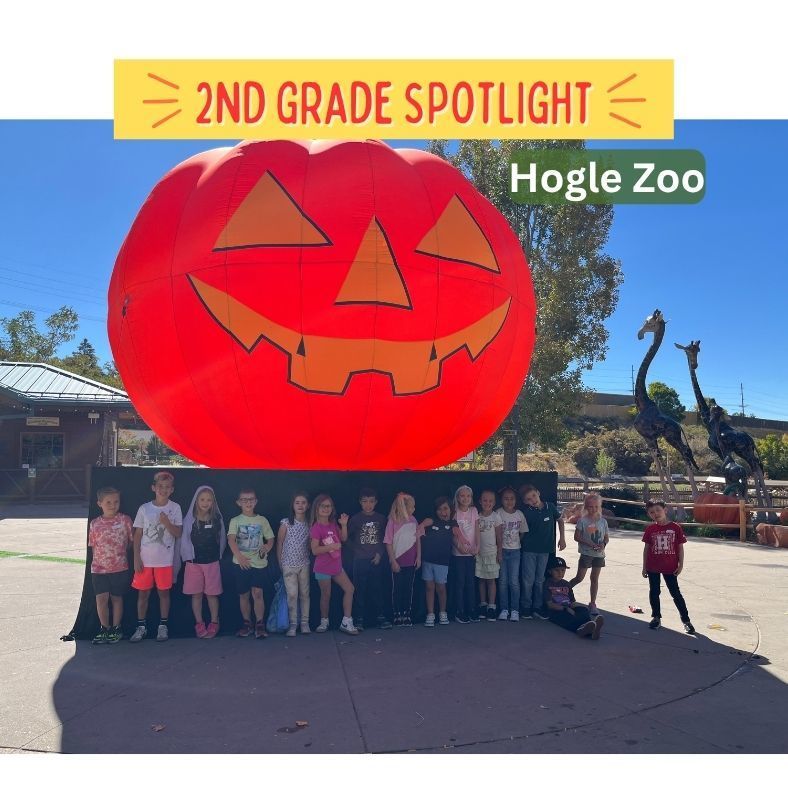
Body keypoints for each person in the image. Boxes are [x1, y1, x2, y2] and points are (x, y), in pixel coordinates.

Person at [130, 471, 183, 643]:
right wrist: (136, 558)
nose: (163, 489)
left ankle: (163, 626)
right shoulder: (144, 508)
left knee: (164, 593)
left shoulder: (175, 508)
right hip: (145, 561)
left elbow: (178, 533)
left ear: (172, 490)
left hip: (164, 561)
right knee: (143, 594)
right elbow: (137, 534)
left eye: (167, 487)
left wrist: (167, 523)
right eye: (160, 486)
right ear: (153, 488)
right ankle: (141, 627)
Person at [642, 499, 695, 634]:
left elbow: (680, 547)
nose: (656, 514)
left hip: (670, 567)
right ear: (649, 514)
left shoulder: (675, 527)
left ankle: (686, 620)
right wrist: (644, 566)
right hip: (653, 566)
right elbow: (646, 548)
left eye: (658, 510)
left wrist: (681, 564)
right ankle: (656, 617)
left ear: (665, 510)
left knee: (675, 593)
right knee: (654, 592)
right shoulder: (650, 529)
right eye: (652, 512)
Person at [228, 488, 275, 639]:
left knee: (258, 593)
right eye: (244, 500)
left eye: (251, 499)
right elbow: (231, 540)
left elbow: (270, 538)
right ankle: (246, 623)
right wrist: (239, 557)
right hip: (240, 563)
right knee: (244, 595)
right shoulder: (235, 521)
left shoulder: (262, 520)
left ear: (256, 501)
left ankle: (259, 624)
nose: (248, 502)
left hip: (259, 563)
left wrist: (267, 546)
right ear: (238, 503)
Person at [88, 487, 133, 644]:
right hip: (98, 569)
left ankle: (116, 628)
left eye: (116, 502)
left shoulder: (125, 520)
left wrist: (118, 557)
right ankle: (104, 628)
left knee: (116, 598)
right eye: (108, 502)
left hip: (119, 568)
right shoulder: (94, 524)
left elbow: (130, 542)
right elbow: (93, 546)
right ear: (99, 503)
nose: (112, 505)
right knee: (101, 599)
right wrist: (99, 562)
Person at [180, 485, 225, 639]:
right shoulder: (189, 519)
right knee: (197, 595)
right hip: (193, 564)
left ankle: (214, 622)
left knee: (212, 595)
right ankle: (199, 623)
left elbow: (222, 538)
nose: (205, 503)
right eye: (202, 499)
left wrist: (219, 555)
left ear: (213, 502)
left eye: (209, 500)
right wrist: (187, 557)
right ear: (196, 500)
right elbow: (184, 539)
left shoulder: (217, 518)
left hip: (212, 563)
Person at [309, 493, 358, 635]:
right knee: (326, 595)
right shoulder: (316, 528)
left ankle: (346, 621)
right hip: (323, 567)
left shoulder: (333, 524)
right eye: (323, 506)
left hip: (336, 566)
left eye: (328, 506)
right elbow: (314, 550)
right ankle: (324, 621)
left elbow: (343, 539)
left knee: (350, 589)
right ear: (317, 508)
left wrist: (343, 525)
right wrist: (331, 547)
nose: (326, 508)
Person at [347, 488, 391, 631]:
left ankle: (380, 617)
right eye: (365, 501)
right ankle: (359, 619)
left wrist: (379, 554)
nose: (368, 505)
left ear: (376, 502)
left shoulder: (381, 518)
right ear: (360, 502)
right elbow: (347, 539)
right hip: (360, 560)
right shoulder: (355, 519)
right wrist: (357, 552)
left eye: (371, 501)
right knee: (359, 590)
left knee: (377, 589)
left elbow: (385, 538)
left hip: (376, 560)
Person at [520, 485, 565, 620]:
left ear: (538, 493)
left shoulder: (550, 507)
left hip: (545, 551)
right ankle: (525, 607)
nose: (532, 500)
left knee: (540, 580)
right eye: (528, 499)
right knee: (528, 580)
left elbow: (560, 520)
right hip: (529, 550)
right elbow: (522, 532)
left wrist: (562, 538)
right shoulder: (526, 513)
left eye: (533, 496)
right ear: (525, 502)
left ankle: (537, 607)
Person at [277, 491, 312, 637]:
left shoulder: (310, 523)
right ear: (292, 505)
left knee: (305, 593)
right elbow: (279, 542)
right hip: (288, 564)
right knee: (292, 594)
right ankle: (292, 624)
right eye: (297, 502)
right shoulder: (286, 522)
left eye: (303, 502)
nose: (300, 505)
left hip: (304, 563)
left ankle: (304, 623)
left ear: (308, 505)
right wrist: (280, 562)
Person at [384, 492, 422, 627]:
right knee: (397, 588)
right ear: (403, 508)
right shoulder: (392, 521)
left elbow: (417, 539)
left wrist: (419, 556)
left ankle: (406, 613)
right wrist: (392, 560)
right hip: (398, 561)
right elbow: (388, 542)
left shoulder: (414, 520)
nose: (414, 509)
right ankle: (397, 614)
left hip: (410, 561)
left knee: (408, 588)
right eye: (411, 507)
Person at [543, 556, 604, 639]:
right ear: (550, 571)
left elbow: (572, 601)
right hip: (556, 611)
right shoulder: (547, 584)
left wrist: (578, 608)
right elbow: (550, 604)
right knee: (567, 617)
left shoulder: (566, 584)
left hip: (568, 607)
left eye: (563, 570)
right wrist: (566, 609)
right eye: (557, 570)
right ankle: (581, 630)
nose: (560, 573)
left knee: (583, 611)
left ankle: (591, 627)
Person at [568, 493, 608, 616]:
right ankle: (563, 590)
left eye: (596, 506)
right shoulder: (582, 521)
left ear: (600, 506)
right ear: (586, 507)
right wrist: (588, 543)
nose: (593, 509)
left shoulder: (603, 521)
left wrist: (603, 544)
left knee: (594, 579)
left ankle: (592, 603)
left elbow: (606, 537)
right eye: (590, 507)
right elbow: (577, 537)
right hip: (586, 554)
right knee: (579, 578)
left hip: (599, 554)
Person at [419, 496, 455, 627]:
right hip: (428, 561)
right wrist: (422, 525)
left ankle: (443, 612)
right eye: (439, 509)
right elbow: (424, 524)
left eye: (445, 508)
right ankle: (430, 614)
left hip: (442, 562)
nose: (442, 512)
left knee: (441, 587)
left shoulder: (452, 523)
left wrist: (467, 547)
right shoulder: (432, 520)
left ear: (451, 509)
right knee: (429, 587)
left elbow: (458, 537)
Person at [496, 486, 527, 622]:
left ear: (516, 500)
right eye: (506, 499)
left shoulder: (519, 514)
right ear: (501, 500)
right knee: (503, 581)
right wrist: (500, 550)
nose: (509, 501)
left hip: (515, 552)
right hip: (501, 550)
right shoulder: (498, 513)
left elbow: (523, 531)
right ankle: (504, 609)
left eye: (512, 499)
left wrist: (516, 543)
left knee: (514, 582)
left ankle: (515, 610)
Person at [451, 485, 479, 623]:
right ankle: (459, 611)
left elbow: (477, 530)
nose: (465, 498)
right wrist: (459, 547)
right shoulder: (454, 512)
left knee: (470, 583)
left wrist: (477, 546)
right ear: (457, 497)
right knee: (460, 583)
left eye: (468, 496)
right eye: (462, 496)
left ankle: (471, 610)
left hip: (471, 553)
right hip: (458, 554)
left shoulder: (474, 510)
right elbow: (452, 533)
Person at [475, 489, 502, 620]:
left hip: (492, 554)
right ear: (480, 501)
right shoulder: (476, 516)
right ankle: (483, 604)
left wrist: (500, 553)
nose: (487, 503)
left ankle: (492, 606)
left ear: (494, 503)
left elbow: (499, 537)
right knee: (481, 579)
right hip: (479, 554)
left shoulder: (496, 517)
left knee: (491, 581)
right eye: (485, 500)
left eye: (490, 501)